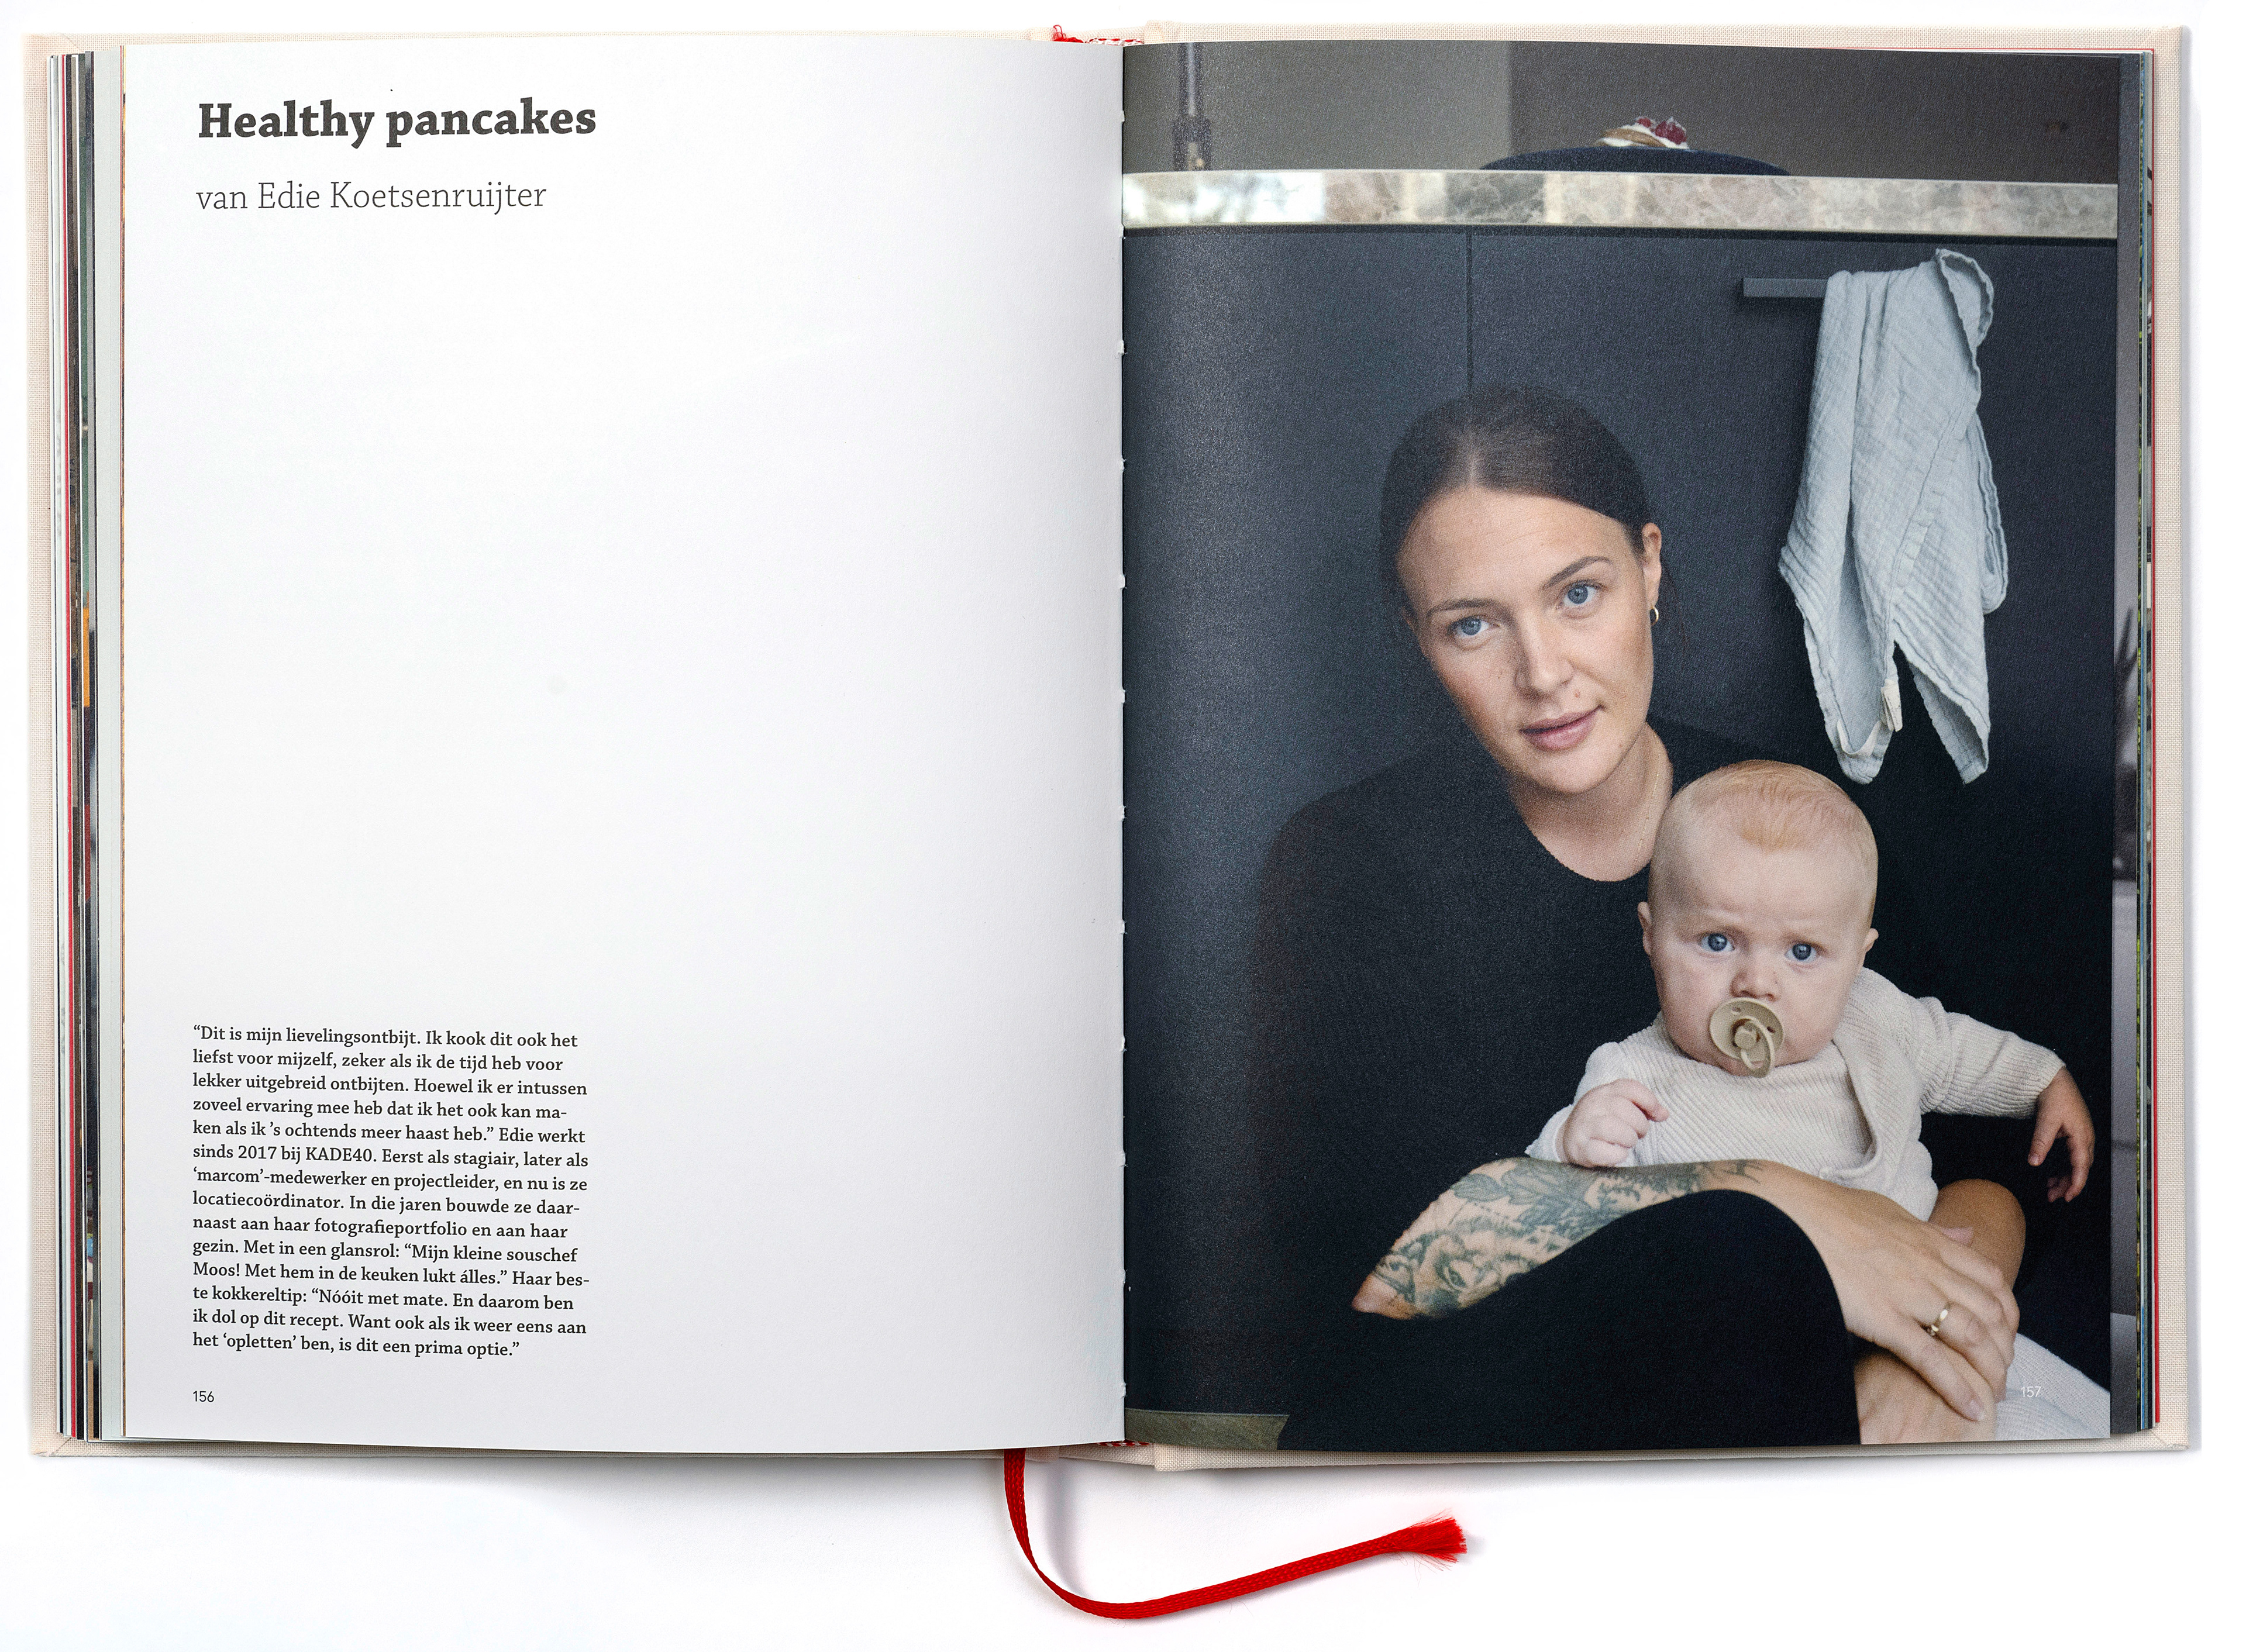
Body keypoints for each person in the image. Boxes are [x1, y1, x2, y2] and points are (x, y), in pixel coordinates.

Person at [1249, 384, 2027, 1452]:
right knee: (1736, 1255)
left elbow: (1996, 1152)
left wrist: (1936, 1351)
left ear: (1649, 567)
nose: (1543, 674)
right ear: (1418, 641)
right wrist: (1779, 1199)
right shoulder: (1347, 864)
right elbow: (1389, 1271)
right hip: (1467, 1417)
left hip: (1759, 1404)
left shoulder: (1790, 817)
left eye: (1578, 594)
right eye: (1473, 624)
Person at [1476, 760, 2100, 1439]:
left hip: (1928, 1334)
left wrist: (2043, 1078)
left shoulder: (1875, 1017)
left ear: (1858, 957)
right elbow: (1561, 1218)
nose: (1757, 982)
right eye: (1717, 942)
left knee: (2056, 1432)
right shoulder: (1634, 1076)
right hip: (1757, 1368)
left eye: (1802, 951)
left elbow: (1958, 1051)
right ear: (1652, 936)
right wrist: (1573, 1138)